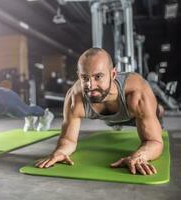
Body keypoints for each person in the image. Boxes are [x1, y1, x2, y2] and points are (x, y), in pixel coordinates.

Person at [36, 48, 164, 175]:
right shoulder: (75, 97)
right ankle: (115, 122)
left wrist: (139, 156)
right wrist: (60, 152)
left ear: (113, 74)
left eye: (98, 77)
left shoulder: (137, 93)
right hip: (111, 119)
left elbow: (154, 141)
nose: (90, 86)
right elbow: (68, 140)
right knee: (111, 123)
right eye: (84, 77)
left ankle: (159, 109)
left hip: (135, 114)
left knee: (157, 112)